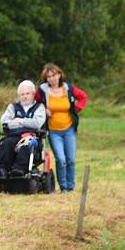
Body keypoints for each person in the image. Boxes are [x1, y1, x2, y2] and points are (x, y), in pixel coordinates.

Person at [35, 63, 88, 192]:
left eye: (54, 75)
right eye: (48, 77)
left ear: (59, 75)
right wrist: (43, 109)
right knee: (61, 159)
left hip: (69, 129)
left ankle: (71, 186)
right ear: (46, 79)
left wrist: (76, 108)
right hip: (53, 131)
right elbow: (34, 103)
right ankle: (63, 187)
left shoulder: (68, 88)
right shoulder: (42, 90)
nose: (52, 79)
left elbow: (83, 97)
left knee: (70, 159)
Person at [0, 80, 46, 177]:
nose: (25, 96)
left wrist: (20, 120)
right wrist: (27, 123)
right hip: (13, 136)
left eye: (28, 93)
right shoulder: (13, 107)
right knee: (6, 143)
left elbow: (37, 123)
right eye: (22, 94)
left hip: (31, 137)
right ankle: (2, 169)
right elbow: (4, 122)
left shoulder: (39, 107)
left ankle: (20, 169)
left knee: (27, 144)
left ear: (33, 94)